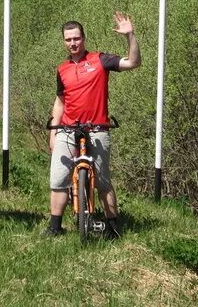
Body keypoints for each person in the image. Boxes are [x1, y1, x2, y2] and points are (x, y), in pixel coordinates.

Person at [45, 12, 140, 238]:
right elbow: (60, 101)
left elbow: (133, 62)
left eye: (76, 38)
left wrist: (130, 36)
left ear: (84, 38)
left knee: (103, 180)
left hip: (97, 127)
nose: (73, 43)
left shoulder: (100, 60)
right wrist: (53, 130)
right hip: (67, 129)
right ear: (63, 42)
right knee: (58, 179)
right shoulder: (62, 69)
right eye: (68, 39)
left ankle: (113, 227)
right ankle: (54, 227)